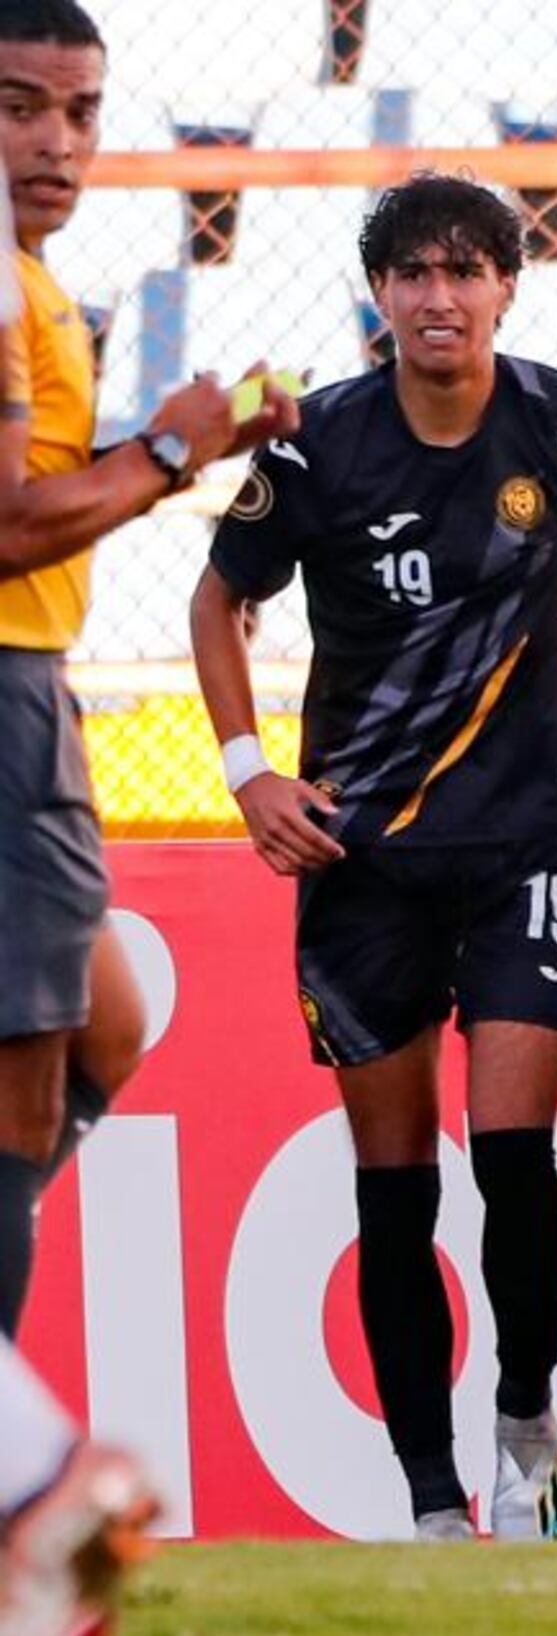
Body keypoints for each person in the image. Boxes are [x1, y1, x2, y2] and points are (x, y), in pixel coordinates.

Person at [188, 173, 557, 1541]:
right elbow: (221, 596)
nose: (439, 296)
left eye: (466, 270)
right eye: (413, 273)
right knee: (394, 1187)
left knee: (515, 1153)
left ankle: (524, 1413)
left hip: (524, 836)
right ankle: (431, 1498)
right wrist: (248, 768)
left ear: (508, 285)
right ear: (379, 295)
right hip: (361, 856)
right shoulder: (318, 446)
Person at [0, 0, 290, 1339]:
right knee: (26, 1077)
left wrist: (199, 433)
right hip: (5, 687)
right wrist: (168, 455)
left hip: (29, 688)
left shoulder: (30, 273)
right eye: (19, 107)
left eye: (82, 111)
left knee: (104, 1027)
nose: (56, 142)